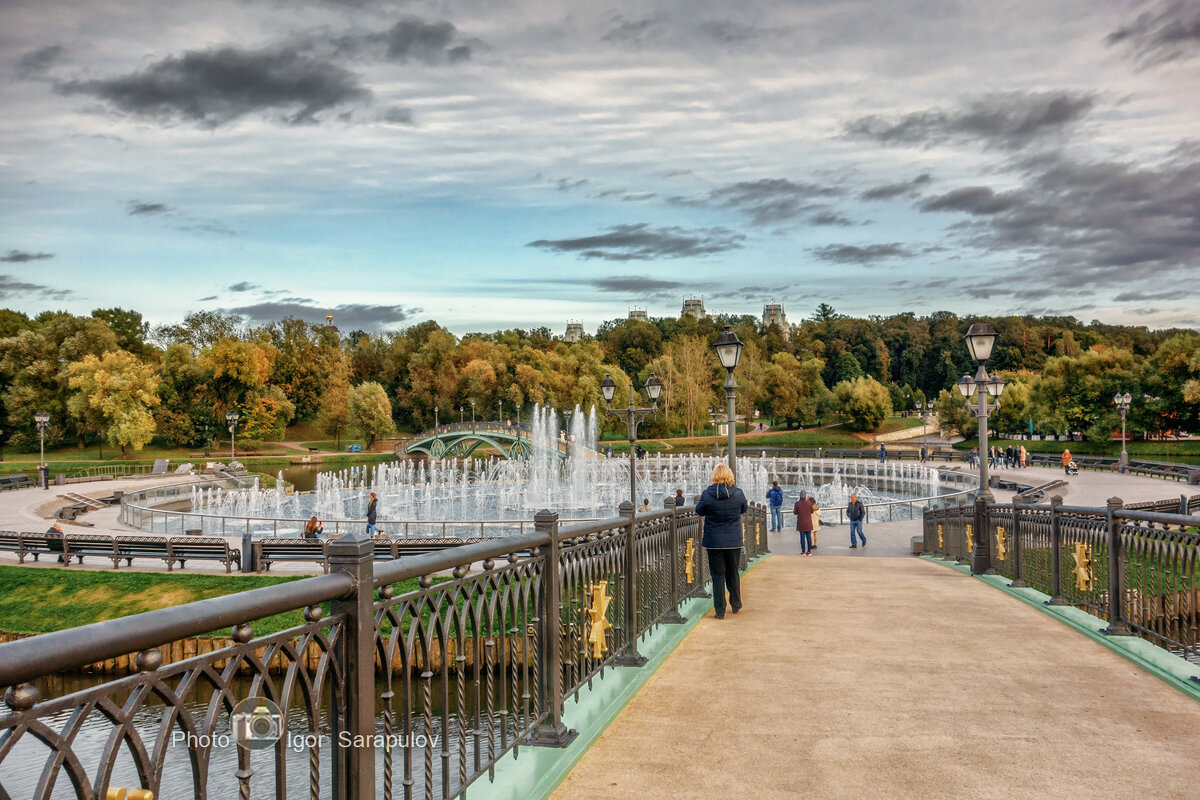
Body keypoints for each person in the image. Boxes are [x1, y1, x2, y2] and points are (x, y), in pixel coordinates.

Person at [695, 463, 748, 620]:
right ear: (730, 475)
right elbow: (743, 509)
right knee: (733, 572)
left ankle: (720, 610)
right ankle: (736, 603)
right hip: (734, 541)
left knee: (718, 575)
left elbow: (699, 510)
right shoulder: (738, 493)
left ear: (714, 476)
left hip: (714, 541)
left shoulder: (707, 494)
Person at [794, 490, 818, 556]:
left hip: (801, 523)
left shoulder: (797, 503)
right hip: (808, 523)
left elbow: (795, 512)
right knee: (809, 537)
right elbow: (812, 511)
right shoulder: (809, 503)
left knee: (802, 538)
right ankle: (809, 551)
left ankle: (803, 552)